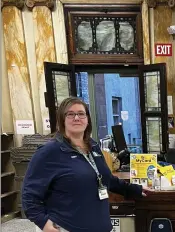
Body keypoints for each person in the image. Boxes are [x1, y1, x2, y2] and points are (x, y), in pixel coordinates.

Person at [22, 97, 152, 232]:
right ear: (62, 119)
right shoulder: (49, 152)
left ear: (87, 119)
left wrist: (135, 189)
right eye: (70, 114)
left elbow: (107, 180)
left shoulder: (93, 146)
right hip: (67, 227)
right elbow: (29, 196)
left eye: (81, 113)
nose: (76, 118)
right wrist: (43, 223)